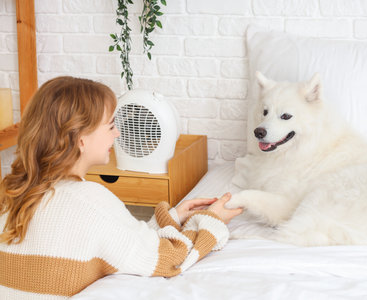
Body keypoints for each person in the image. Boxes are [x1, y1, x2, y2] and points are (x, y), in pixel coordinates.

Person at [0, 76, 242, 299]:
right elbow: (169, 259)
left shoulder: (10, 192)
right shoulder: (88, 201)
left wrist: (173, 217)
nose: (117, 133)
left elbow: (116, 241)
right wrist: (211, 220)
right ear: (81, 140)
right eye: (110, 125)